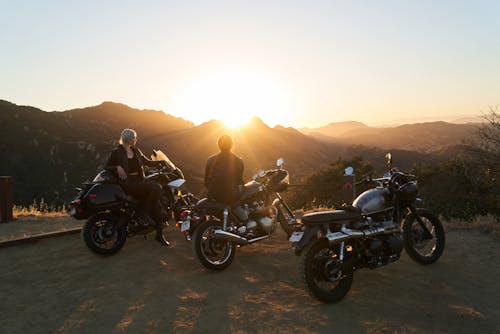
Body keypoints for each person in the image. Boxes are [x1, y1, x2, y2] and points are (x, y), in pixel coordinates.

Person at [105, 128, 169, 245]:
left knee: (158, 205)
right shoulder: (117, 152)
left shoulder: (136, 151)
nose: (136, 140)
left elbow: (147, 162)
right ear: (129, 139)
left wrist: (162, 162)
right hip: (127, 183)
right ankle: (143, 213)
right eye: (134, 138)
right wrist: (117, 167)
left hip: (139, 182)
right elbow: (107, 166)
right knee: (157, 187)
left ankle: (159, 235)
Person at [204, 134, 244, 204]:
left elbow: (206, 183)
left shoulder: (210, 160)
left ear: (218, 145)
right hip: (232, 198)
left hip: (213, 197)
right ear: (232, 145)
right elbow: (238, 182)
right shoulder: (239, 161)